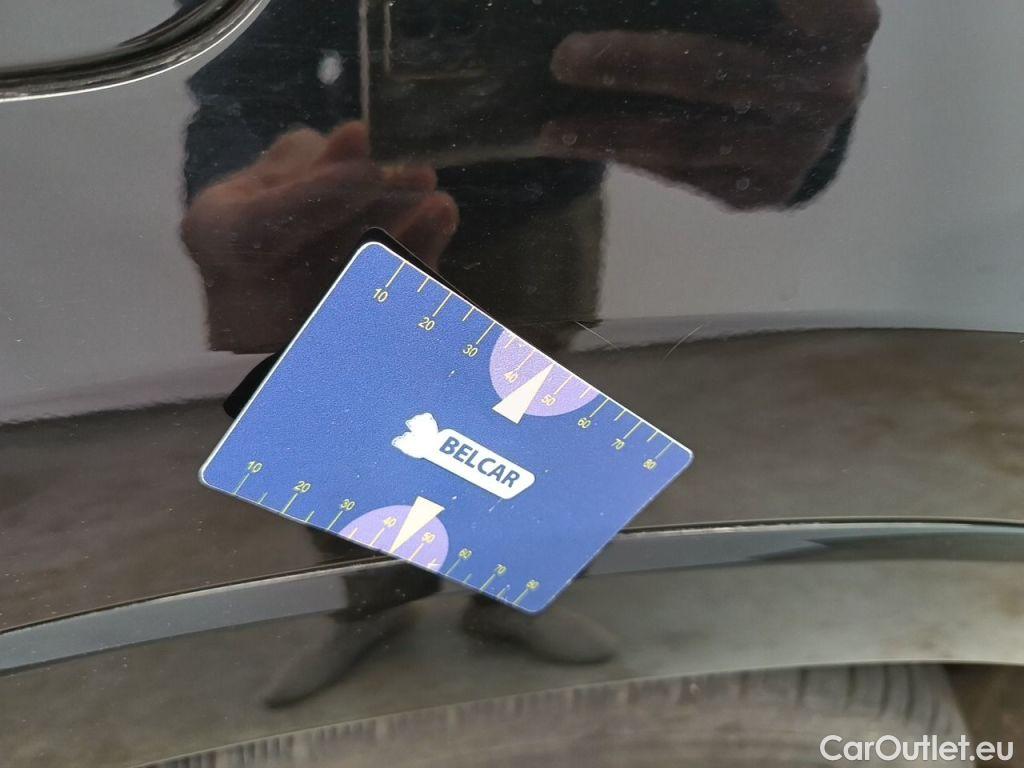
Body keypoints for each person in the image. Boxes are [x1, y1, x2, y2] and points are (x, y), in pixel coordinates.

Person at [180, 0, 879, 706]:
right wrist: (257, 187)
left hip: (533, 193)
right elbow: (245, 72)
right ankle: (374, 602)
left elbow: (243, 75)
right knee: (355, 423)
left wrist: (800, 100)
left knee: (520, 418)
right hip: (372, 191)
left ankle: (506, 600)